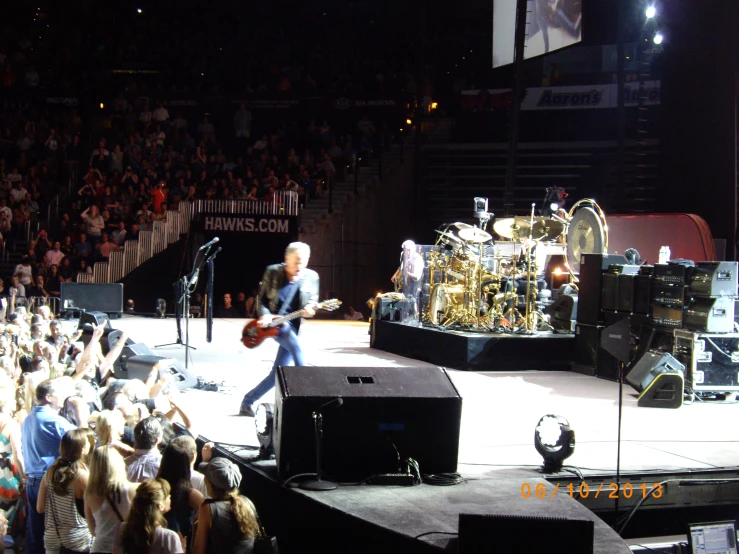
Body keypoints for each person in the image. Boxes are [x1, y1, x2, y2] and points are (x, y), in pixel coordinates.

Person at [239, 242, 319, 417]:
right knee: (299, 353)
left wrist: (310, 310)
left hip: (294, 325)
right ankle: (306, 404)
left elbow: (312, 303)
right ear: (286, 259)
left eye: (304, 262)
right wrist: (265, 315)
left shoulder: (312, 277)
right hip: (276, 325)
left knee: (278, 372)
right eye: (296, 261)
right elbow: (261, 300)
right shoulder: (273, 271)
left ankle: (247, 401)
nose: (300, 266)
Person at [22, 379, 77, 554]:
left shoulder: (28, 419)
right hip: (47, 483)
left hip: (32, 482)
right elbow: (80, 439)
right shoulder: (53, 420)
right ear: (48, 397)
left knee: (35, 533)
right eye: (59, 396)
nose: (62, 400)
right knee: (51, 535)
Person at [37, 429, 94, 554]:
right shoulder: (82, 476)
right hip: (77, 540)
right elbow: (97, 508)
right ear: (83, 450)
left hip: (52, 539)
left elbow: (40, 508)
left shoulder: (50, 472)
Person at [192, 457, 260, 554]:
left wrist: (194, 524)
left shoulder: (208, 509)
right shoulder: (247, 502)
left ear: (210, 483)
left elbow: (198, 552)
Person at [84, 446, 140, 554]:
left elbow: (93, 531)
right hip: (124, 548)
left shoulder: (90, 494)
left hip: (99, 549)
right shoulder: (135, 489)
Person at [114, 478, 184, 554]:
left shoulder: (122, 530)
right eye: (167, 495)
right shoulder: (168, 538)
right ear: (160, 506)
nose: (170, 496)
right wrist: (182, 549)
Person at [156, 442, 204, 546]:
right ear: (185, 465)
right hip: (181, 543)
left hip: (157, 541)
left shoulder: (155, 487)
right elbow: (208, 517)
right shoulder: (190, 494)